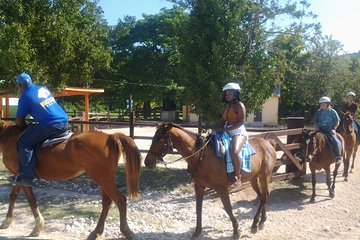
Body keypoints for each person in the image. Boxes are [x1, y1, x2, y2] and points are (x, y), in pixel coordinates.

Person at [8, 72, 68, 187]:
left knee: (24, 143)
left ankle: (26, 177)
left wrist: (24, 124)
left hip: (51, 125)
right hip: (64, 121)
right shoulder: (42, 88)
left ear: (19, 86)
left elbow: (19, 122)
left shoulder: (24, 97)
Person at [219, 83, 247, 185]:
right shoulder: (226, 107)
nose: (227, 96)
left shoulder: (240, 105)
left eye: (230, 94)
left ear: (235, 94)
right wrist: (221, 128)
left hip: (238, 131)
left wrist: (227, 129)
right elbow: (222, 120)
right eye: (226, 94)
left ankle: (238, 176)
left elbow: (241, 121)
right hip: (226, 131)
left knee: (234, 151)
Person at [314, 96, 342, 164]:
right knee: (310, 140)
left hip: (329, 131)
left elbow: (337, 121)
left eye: (323, 104)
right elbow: (315, 121)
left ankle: (338, 157)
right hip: (320, 131)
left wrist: (334, 129)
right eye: (321, 104)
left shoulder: (332, 112)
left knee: (336, 141)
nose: (321, 105)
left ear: (327, 104)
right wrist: (317, 126)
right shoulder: (319, 112)